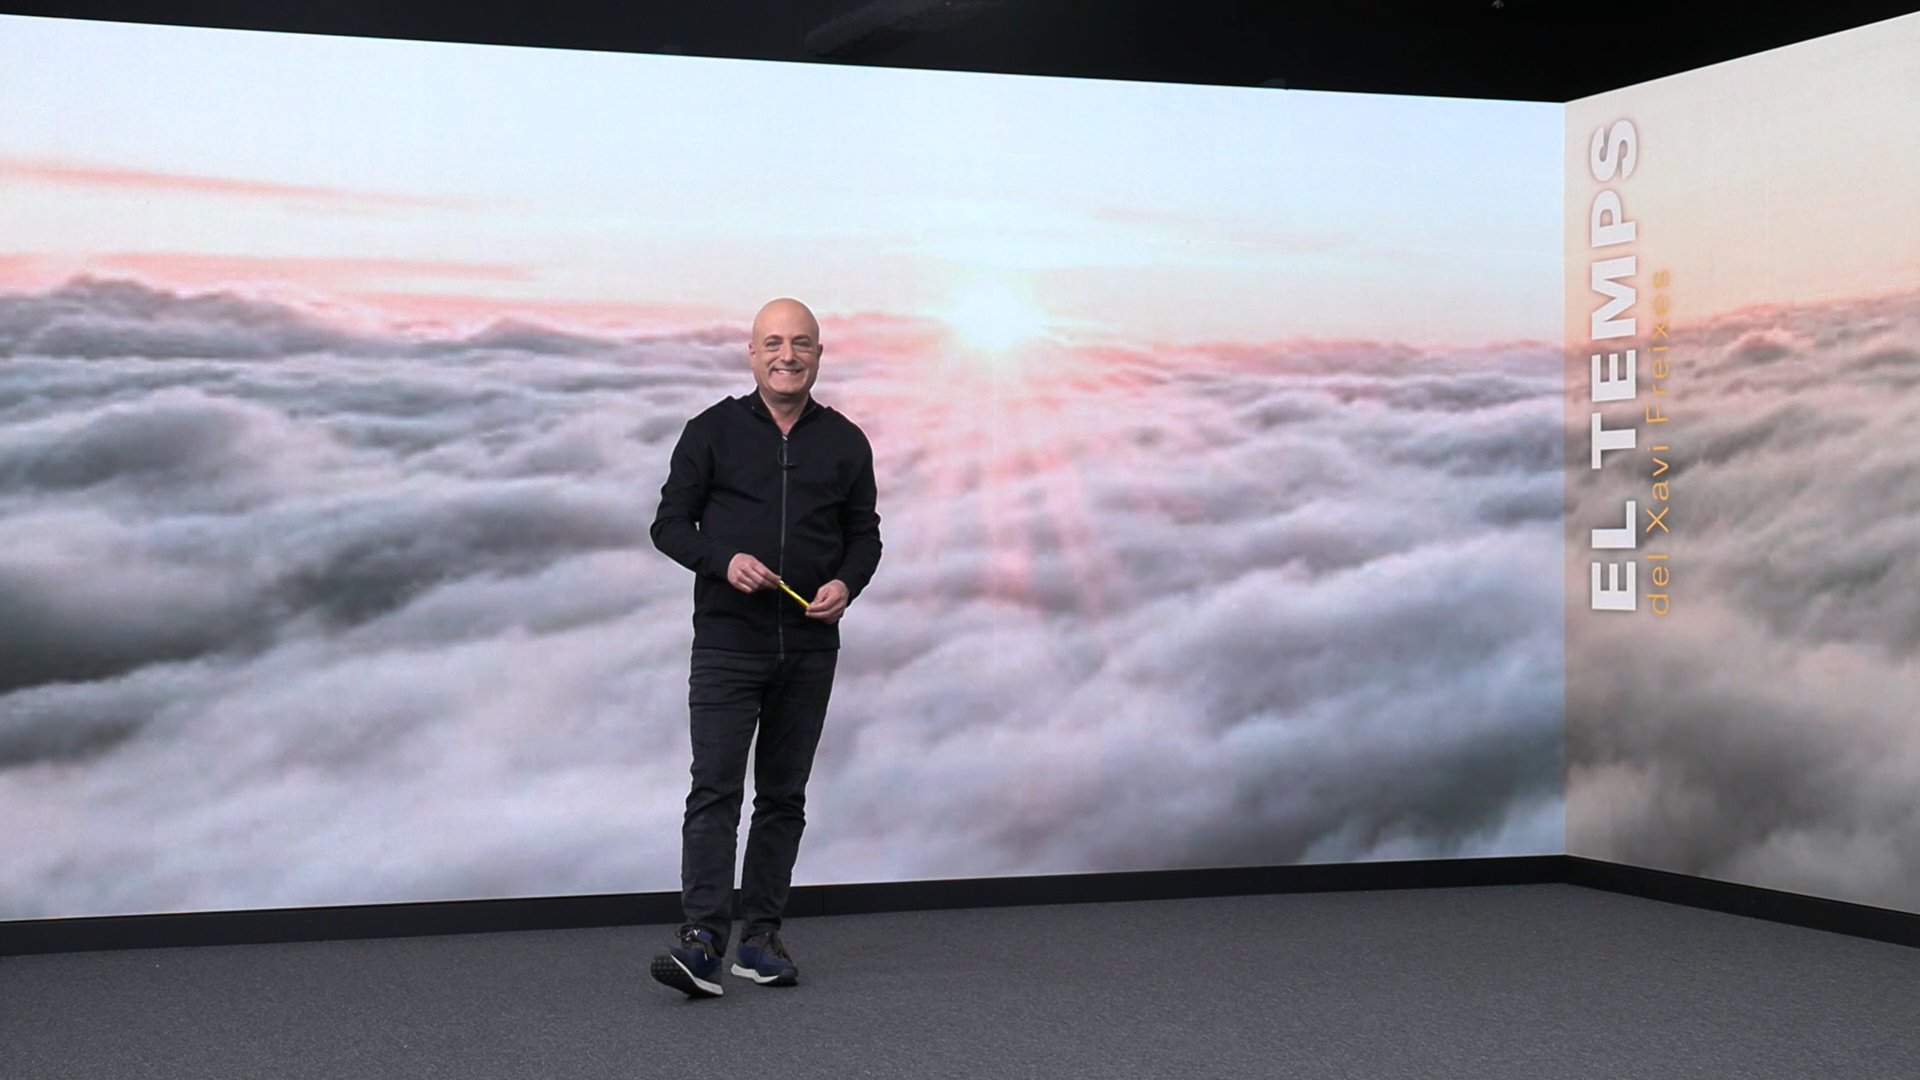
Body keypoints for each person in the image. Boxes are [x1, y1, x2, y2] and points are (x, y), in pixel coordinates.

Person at [646, 297, 882, 997]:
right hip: (727, 643)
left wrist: (848, 582)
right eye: (774, 343)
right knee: (714, 790)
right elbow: (668, 524)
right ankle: (702, 940)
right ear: (752, 355)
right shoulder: (711, 431)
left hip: (810, 647)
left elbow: (865, 535)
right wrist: (723, 560)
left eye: (801, 344)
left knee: (783, 796)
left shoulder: (845, 442)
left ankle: (761, 939)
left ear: (818, 355)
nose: (788, 355)